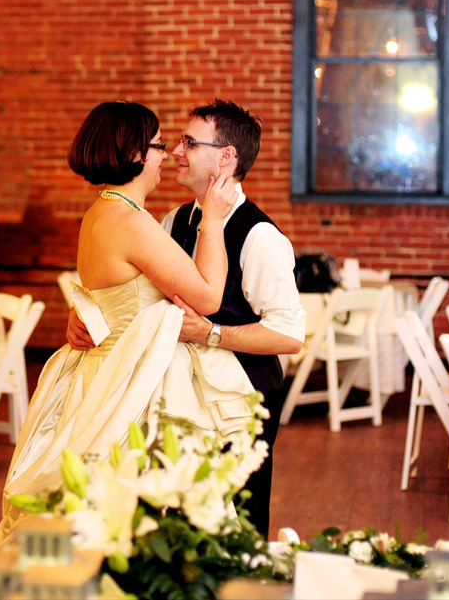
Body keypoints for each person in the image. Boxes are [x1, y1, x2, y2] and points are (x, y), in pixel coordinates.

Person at [0, 100, 256, 561]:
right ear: (136, 154)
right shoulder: (132, 222)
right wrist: (212, 220)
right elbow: (208, 298)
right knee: (132, 519)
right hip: (129, 387)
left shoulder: (100, 212)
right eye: (158, 145)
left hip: (100, 372)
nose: (167, 154)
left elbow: (108, 296)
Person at [67, 98, 305, 538]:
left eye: (189, 143)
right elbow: (130, 282)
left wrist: (211, 333)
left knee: (235, 526)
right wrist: (88, 315)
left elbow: (290, 336)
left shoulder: (261, 237)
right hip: (176, 402)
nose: (176, 151)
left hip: (240, 401)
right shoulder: (172, 219)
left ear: (226, 157)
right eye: (174, 142)